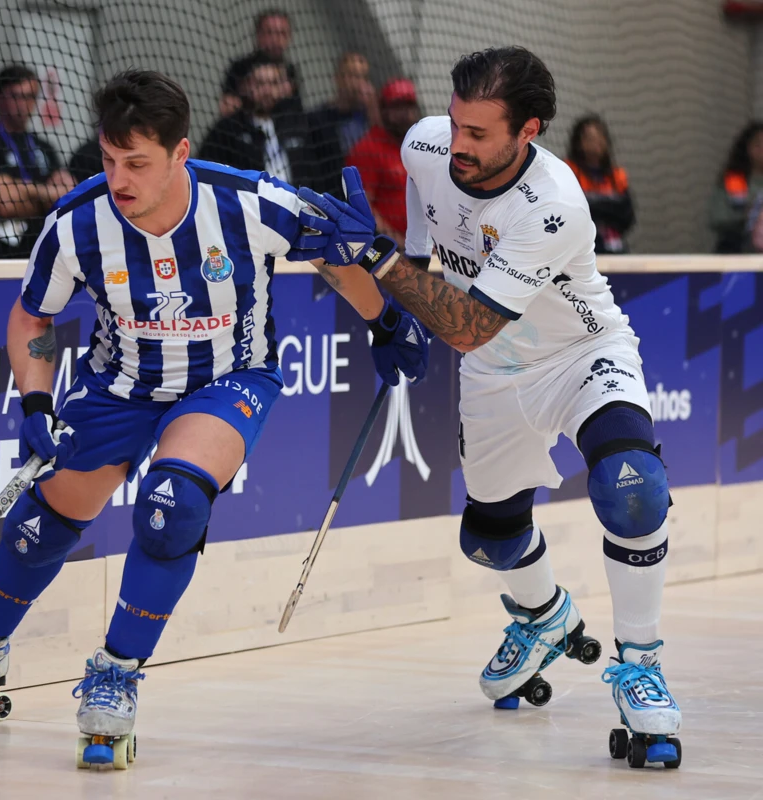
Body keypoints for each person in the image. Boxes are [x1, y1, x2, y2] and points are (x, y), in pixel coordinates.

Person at [0, 70, 429, 765]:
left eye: (138, 163)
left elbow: (334, 252)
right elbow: (34, 317)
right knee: (37, 526)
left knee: (172, 504)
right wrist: (33, 400)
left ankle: (116, 673)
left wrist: (387, 320)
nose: (119, 178)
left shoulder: (247, 204)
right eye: (110, 159)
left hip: (227, 378)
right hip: (119, 385)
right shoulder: (77, 224)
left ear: (180, 153)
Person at [286, 47, 683, 768]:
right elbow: (418, 252)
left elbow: (465, 321)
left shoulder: (554, 203)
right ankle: (541, 618)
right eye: (456, 122)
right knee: (490, 541)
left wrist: (375, 259)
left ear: (527, 130)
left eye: (478, 133)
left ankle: (642, 667)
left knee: (633, 490)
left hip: (579, 356)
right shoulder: (425, 144)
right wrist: (389, 315)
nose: (457, 144)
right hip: (494, 374)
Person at [0, 64, 76, 259]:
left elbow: (68, 199)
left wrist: (21, 190)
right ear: (0, 99)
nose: (24, 105)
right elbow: (4, 203)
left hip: (43, 256)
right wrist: (45, 196)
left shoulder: (44, 147)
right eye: (17, 96)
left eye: (30, 96)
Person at [198, 58, 315, 186]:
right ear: (244, 87)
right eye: (259, 83)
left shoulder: (296, 125)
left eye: (273, 83)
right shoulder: (228, 129)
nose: (267, 91)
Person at [344, 77, 422, 249]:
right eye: (398, 108)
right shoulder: (368, 148)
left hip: (423, 250)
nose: (405, 114)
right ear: (384, 111)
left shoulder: (419, 146)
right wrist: (399, 243)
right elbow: (363, 206)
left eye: (409, 107)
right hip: (387, 252)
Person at [306, 52, 380, 196]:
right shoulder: (317, 119)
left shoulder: (368, 116)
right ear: (338, 78)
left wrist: (373, 107)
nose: (358, 83)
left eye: (363, 77)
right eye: (353, 75)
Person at [565, 115, 635, 254]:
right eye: (590, 138)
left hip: (615, 248)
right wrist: (609, 207)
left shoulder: (617, 176)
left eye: (600, 137)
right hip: (582, 251)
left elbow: (627, 216)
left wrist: (594, 206)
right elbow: (571, 213)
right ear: (579, 142)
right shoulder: (568, 171)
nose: (596, 142)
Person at [220, 9, 301, 118]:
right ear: (258, 34)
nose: (276, 39)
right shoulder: (240, 68)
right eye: (270, 32)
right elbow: (227, 107)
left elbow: (297, 114)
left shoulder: (290, 72)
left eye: (282, 33)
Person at [709, 121, 763, 253]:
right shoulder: (736, 180)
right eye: (758, 145)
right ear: (747, 148)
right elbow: (717, 217)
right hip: (737, 251)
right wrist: (746, 215)